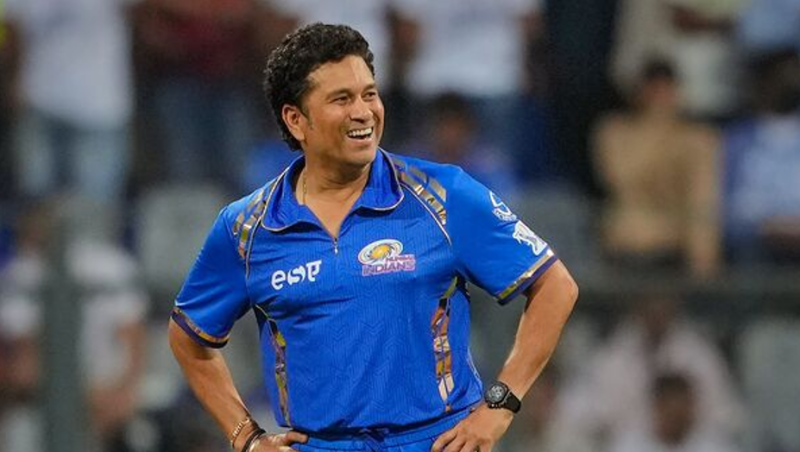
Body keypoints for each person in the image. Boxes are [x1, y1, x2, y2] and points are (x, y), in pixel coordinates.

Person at [168, 23, 579, 452]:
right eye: (341, 99)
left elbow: (555, 286)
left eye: (369, 94)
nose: (364, 112)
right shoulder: (246, 228)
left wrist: (499, 406)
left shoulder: (444, 195)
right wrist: (246, 437)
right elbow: (187, 338)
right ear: (296, 119)